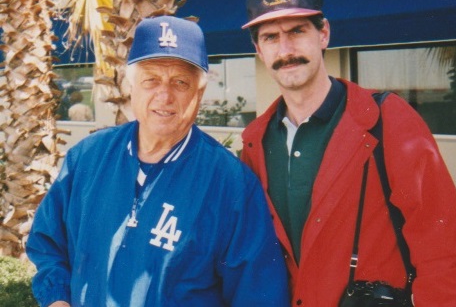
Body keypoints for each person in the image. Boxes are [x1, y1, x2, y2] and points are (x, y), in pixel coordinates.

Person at [240, 0, 456, 306]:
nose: (285, 50)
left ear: (323, 33)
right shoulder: (255, 143)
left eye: (297, 31)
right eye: (270, 37)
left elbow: (447, 253)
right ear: (258, 49)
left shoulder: (387, 120)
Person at [26, 15, 290, 307]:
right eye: (151, 80)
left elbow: (257, 294)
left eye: (180, 82)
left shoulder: (232, 185)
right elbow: (48, 243)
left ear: (199, 93)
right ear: (132, 87)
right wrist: (57, 299)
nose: (164, 95)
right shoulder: (87, 158)